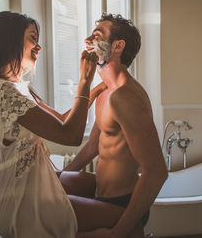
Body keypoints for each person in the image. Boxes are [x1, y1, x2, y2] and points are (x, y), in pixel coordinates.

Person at [0, 11, 107, 238]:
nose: (39, 46)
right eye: (33, 38)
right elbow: (71, 135)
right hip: (21, 203)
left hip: (25, 191)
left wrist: (95, 91)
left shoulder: (18, 87)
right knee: (122, 218)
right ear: (10, 40)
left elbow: (63, 120)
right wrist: (85, 81)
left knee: (94, 183)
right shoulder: (3, 91)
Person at [60, 13, 168, 238]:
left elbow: (157, 172)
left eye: (97, 36)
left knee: (51, 212)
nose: (88, 40)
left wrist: (118, 232)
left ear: (118, 46)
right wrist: (60, 178)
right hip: (101, 190)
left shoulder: (126, 97)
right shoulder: (106, 92)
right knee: (52, 186)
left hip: (122, 203)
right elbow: (93, 147)